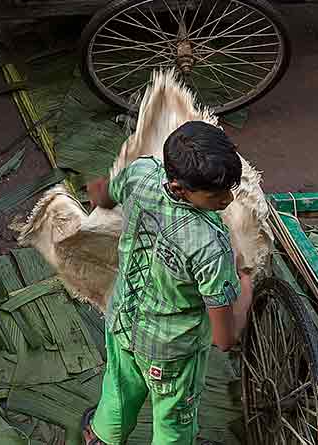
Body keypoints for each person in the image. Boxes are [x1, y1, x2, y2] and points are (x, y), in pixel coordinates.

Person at [83, 123, 252, 445]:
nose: (228, 200)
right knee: (174, 420)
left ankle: (101, 437)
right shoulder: (210, 246)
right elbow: (224, 339)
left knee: (119, 390)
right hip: (171, 353)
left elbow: (102, 195)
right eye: (215, 195)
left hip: (122, 320)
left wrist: (96, 192)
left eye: (230, 188)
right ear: (177, 188)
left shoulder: (142, 173)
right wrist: (246, 285)